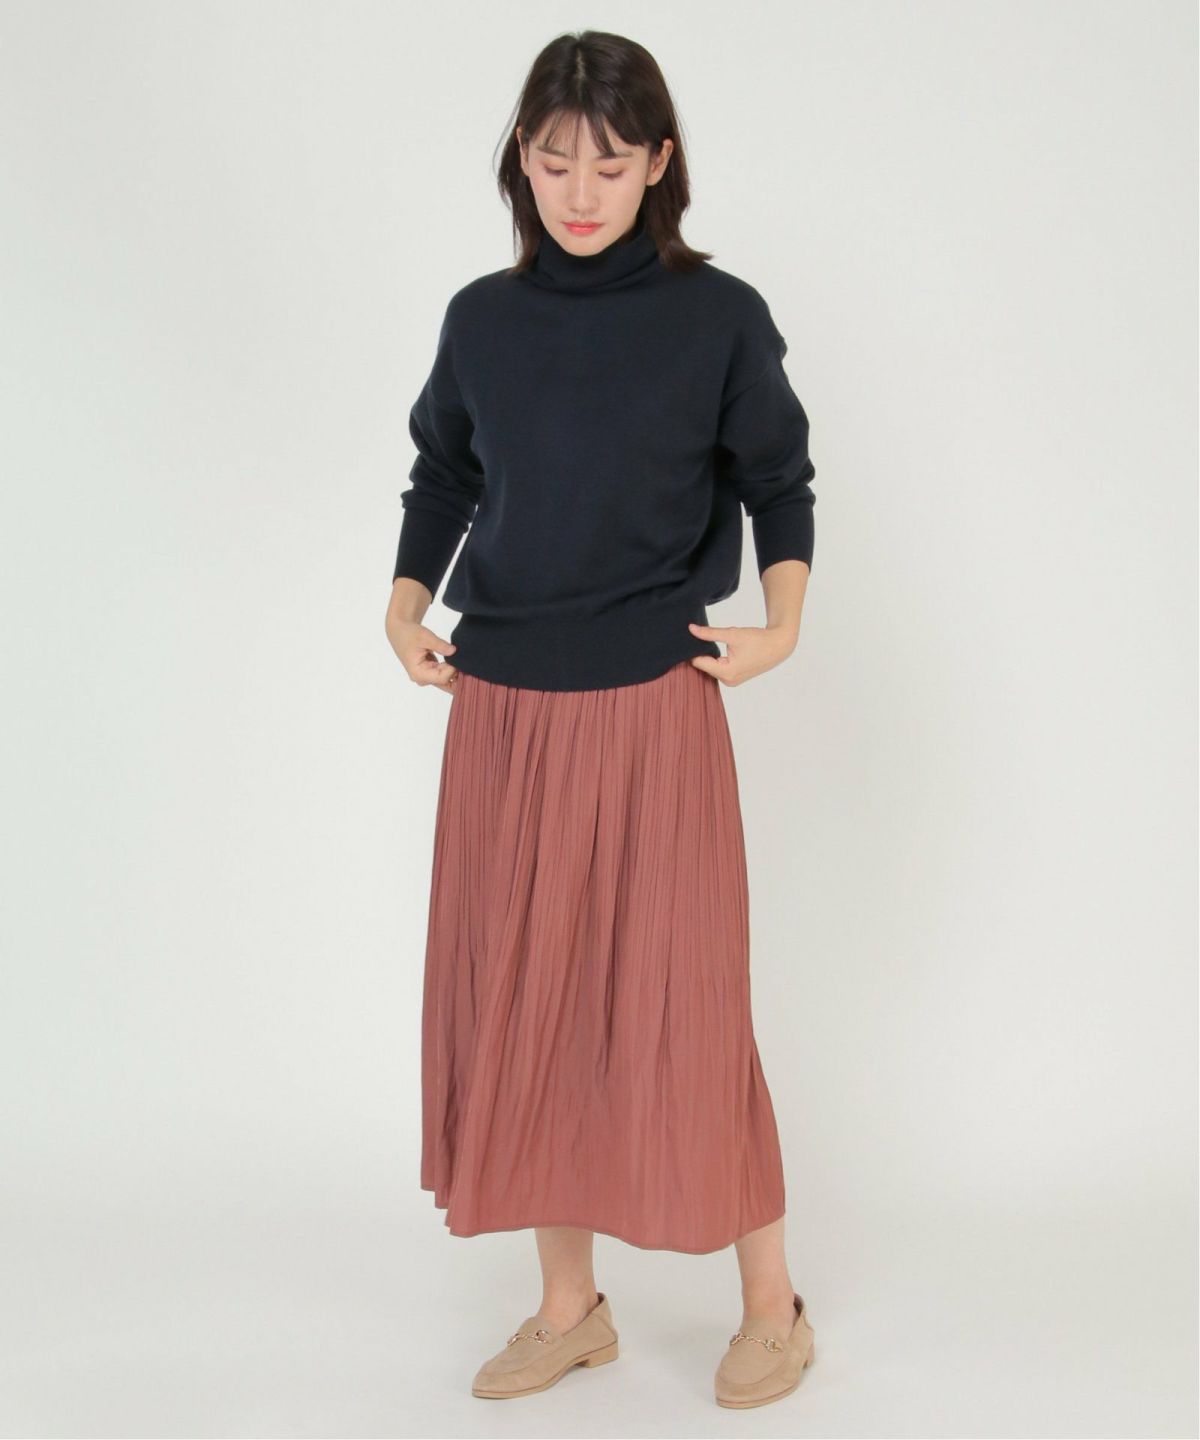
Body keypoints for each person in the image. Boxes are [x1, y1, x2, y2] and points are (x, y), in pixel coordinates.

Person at [384, 29, 818, 1410]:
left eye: (612, 162)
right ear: (521, 158)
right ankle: (571, 1309)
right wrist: (404, 601)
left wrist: (782, 625)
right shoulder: (482, 319)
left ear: (660, 165)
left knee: (690, 1008)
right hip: (503, 708)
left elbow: (780, 479)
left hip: (653, 703)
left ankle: (773, 1305)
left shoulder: (719, 316)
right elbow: (443, 474)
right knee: (531, 1010)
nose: (581, 190)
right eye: (555, 158)